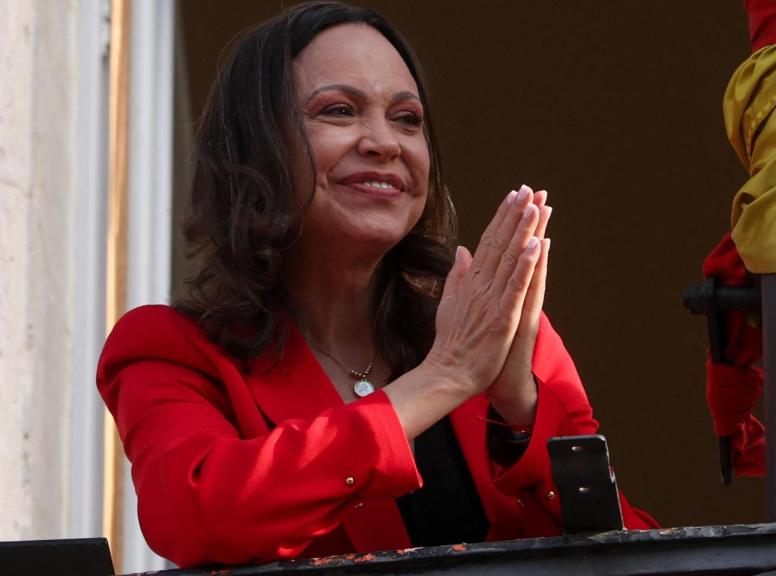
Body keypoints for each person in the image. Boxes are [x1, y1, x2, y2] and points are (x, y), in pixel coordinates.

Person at [97, 1, 656, 568]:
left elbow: (635, 555)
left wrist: (521, 413)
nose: (384, 142)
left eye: (407, 119)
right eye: (339, 111)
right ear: (255, 146)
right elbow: (197, 518)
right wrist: (444, 379)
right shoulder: (168, 349)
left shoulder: (494, 327)